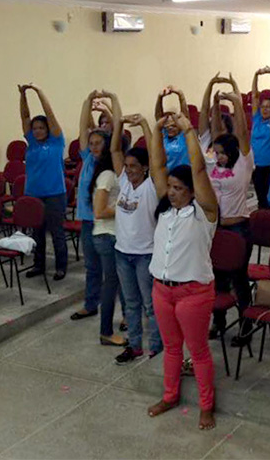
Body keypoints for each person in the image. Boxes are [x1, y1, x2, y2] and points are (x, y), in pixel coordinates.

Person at [147, 112, 218, 431]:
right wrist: (158, 129)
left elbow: (199, 168)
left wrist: (190, 130)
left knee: (198, 351)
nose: (171, 191)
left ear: (192, 190)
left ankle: (206, 406)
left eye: (178, 187)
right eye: (170, 187)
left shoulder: (204, 212)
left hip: (193, 294)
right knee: (172, 348)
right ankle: (170, 395)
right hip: (162, 290)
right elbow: (157, 167)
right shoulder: (167, 210)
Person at [111, 113, 164, 364]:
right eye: (127, 166)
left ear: (144, 168)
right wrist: (119, 123)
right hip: (122, 252)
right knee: (130, 304)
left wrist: (144, 124)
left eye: (134, 166)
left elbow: (156, 159)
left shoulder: (151, 185)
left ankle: (156, 347)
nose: (129, 170)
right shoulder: (123, 182)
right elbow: (114, 149)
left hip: (145, 254)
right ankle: (134, 346)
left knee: (150, 305)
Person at [206, 89, 255, 347]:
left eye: (222, 153)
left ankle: (246, 323)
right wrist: (215, 104)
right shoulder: (216, 165)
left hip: (238, 229)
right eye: (216, 153)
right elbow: (216, 131)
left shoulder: (243, 164)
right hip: (217, 230)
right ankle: (220, 321)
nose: (218, 156)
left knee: (239, 278)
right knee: (217, 278)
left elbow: (243, 133)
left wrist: (235, 102)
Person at [70, 91, 113, 322]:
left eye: (99, 143)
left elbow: (114, 126)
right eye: (92, 143)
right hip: (88, 220)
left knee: (112, 270)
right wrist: (87, 102)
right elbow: (83, 128)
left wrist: (107, 106)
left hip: (106, 222)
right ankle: (91, 303)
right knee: (92, 267)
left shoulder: (110, 163)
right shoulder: (87, 158)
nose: (94, 147)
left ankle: (123, 311)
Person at [19, 83, 68, 281]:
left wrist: (39, 93)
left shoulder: (56, 140)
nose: (38, 131)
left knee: (56, 232)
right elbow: (24, 117)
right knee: (36, 233)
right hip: (34, 194)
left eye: (41, 128)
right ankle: (39, 264)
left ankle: (60, 267)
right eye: (35, 128)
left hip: (55, 193)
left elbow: (50, 113)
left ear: (48, 128)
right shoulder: (31, 142)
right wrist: (23, 95)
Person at [89, 98, 126, 347]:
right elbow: (100, 211)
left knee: (119, 282)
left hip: (113, 234)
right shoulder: (106, 176)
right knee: (110, 284)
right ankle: (105, 331)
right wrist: (124, 207)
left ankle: (126, 318)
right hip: (106, 234)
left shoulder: (114, 175)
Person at [250, 66, 270, 209]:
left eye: (268, 107)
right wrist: (256, 76)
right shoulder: (257, 119)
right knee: (261, 200)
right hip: (257, 166)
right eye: (263, 106)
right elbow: (254, 97)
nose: (264, 109)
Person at [154, 86, 193, 170]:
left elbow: (185, 115)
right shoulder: (164, 135)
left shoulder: (183, 135)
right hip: (169, 177)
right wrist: (160, 97)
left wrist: (180, 94)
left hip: (185, 175)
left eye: (173, 125)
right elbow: (158, 117)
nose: (170, 128)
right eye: (167, 126)